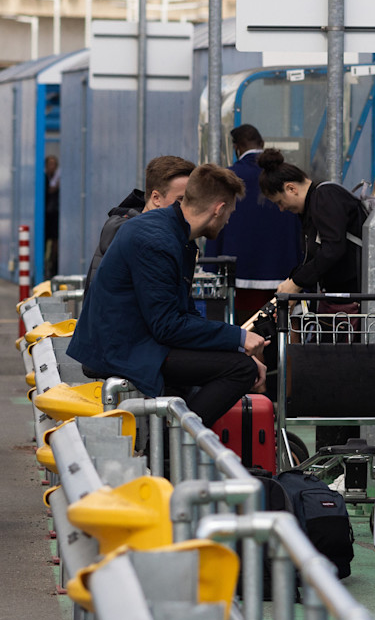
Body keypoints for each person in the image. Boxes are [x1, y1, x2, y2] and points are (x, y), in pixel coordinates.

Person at [67, 164, 266, 427]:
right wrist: (240, 337)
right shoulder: (157, 240)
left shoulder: (173, 233)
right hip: (124, 348)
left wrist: (238, 345)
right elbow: (167, 326)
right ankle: (176, 444)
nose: (228, 220)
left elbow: (184, 313)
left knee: (240, 363)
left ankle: (175, 441)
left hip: (140, 339)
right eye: (229, 212)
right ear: (218, 209)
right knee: (241, 369)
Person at [202, 124, 303, 322]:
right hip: (286, 269)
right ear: (262, 143)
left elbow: (215, 220)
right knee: (285, 325)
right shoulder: (289, 177)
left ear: (237, 147)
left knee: (249, 328)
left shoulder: (228, 178)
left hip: (240, 270)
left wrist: (211, 266)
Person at [259, 150, 367, 299]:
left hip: (354, 295)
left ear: (291, 188)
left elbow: (332, 249)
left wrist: (296, 283)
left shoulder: (325, 196)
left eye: (279, 202)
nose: (282, 209)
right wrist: (293, 281)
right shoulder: (312, 204)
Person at [83, 155, 195, 291]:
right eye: (181, 199)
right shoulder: (132, 235)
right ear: (156, 198)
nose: (188, 207)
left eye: (191, 200)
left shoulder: (164, 233)